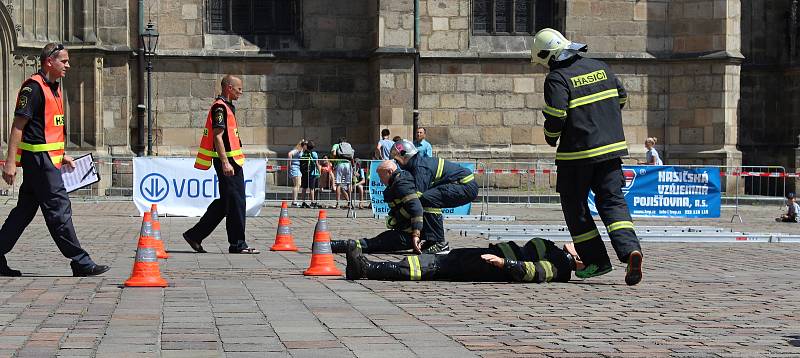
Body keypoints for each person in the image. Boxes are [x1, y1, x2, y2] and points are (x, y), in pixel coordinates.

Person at [532, 28, 642, 285]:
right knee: (612, 202)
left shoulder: (557, 78)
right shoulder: (601, 67)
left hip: (577, 156)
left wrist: (550, 137)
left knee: (576, 207)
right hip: (611, 151)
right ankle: (630, 252)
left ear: (549, 55)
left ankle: (595, 262)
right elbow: (622, 98)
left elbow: (556, 116)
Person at [0, 43, 110, 277]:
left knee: (24, 211)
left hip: (46, 161)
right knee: (59, 210)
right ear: (49, 61)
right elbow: (18, 126)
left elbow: (47, 130)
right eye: (64, 61)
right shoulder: (34, 88)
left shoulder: (54, 88)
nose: (68, 65)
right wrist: (10, 162)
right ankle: (80, 262)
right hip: (40, 163)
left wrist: (62, 156)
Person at [185, 75, 259, 254]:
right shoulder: (220, 107)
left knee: (226, 203)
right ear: (229, 88)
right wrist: (225, 163)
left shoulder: (226, 107)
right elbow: (218, 136)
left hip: (233, 161)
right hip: (228, 163)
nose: (241, 92)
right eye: (239, 89)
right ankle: (237, 244)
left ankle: (195, 235)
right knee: (236, 203)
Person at [345, 237, 581, 283]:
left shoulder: (560, 265)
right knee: (437, 262)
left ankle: (367, 268)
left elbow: (534, 272)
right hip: (487, 257)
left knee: (434, 267)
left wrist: (504, 264)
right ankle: (366, 267)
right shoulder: (556, 251)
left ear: (579, 260)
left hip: (491, 266)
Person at [391, 140, 479, 254]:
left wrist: (399, 217)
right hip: (461, 185)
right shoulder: (417, 164)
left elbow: (416, 200)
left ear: (404, 155)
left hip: (464, 185)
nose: (397, 164)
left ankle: (439, 243)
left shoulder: (420, 168)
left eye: (397, 160)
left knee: (427, 199)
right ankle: (431, 240)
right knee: (428, 199)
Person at [330, 160, 424, 254]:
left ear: (390, 172)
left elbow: (416, 208)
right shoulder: (398, 182)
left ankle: (336, 245)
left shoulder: (401, 185)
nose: (380, 180)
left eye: (381, 176)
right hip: (406, 231)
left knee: (373, 244)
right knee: (377, 241)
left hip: (409, 235)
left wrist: (416, 235)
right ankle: (336, 245)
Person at [299, 140, 320, 208]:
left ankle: (303, 202)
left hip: (305, 172)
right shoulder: (314, 153)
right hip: (312, 172)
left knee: (304, 187)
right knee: (312, 188)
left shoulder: (304, 153)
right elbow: (316, 163)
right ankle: (312, 202)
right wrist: (319, 171)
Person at [288, 140, 304, 207]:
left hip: (297, 168)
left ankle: (295, 201)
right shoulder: (297, 149)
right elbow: (290, 154)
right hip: (295, 167)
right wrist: (290, 164)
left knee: (298, 185)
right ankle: (294, 202)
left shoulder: (300, 150)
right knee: (297, 185)